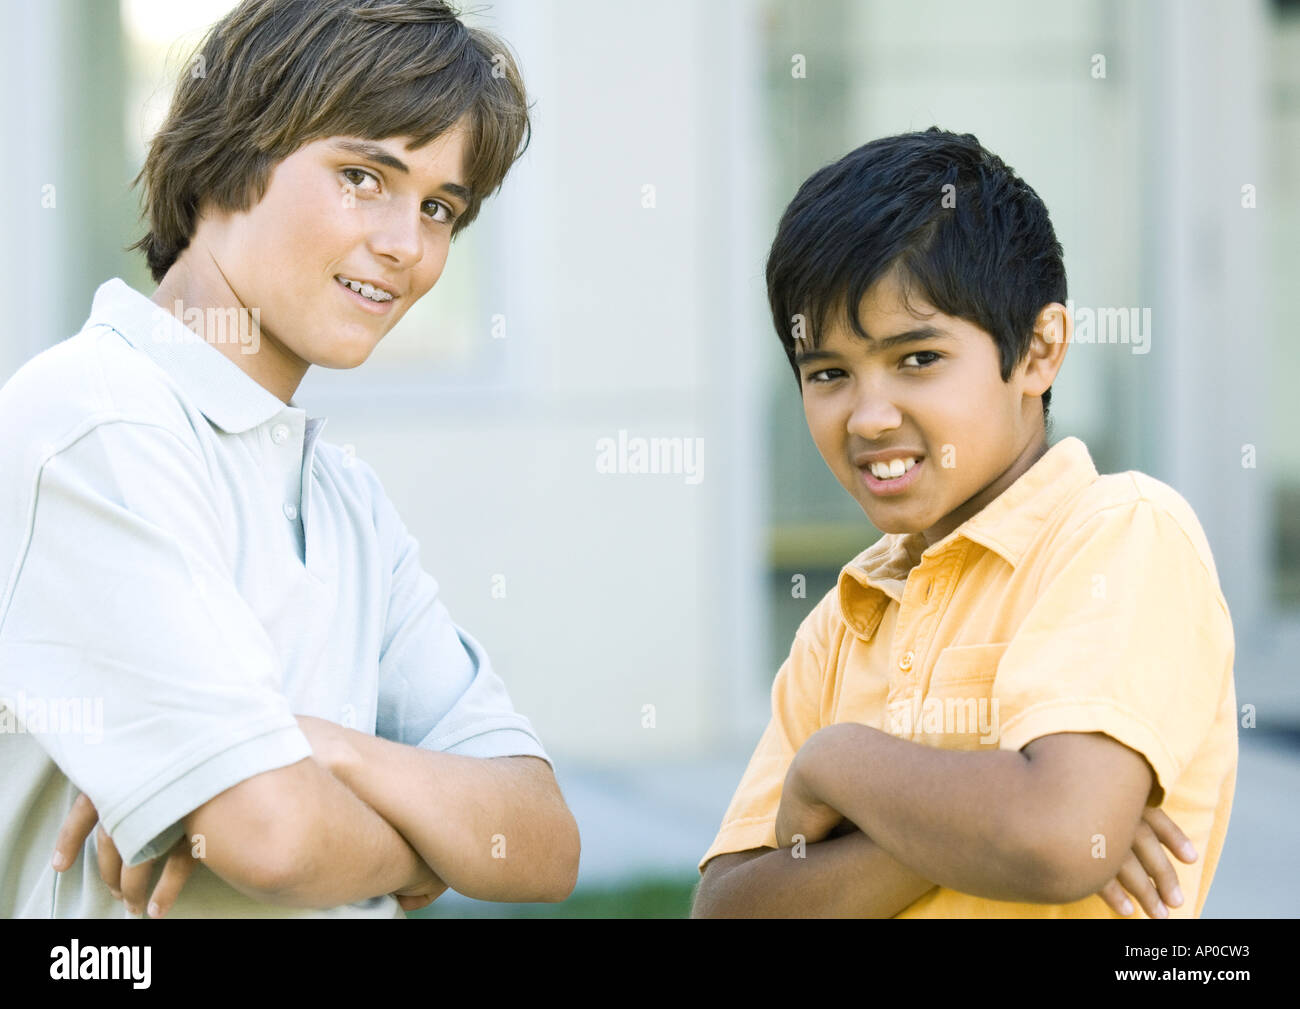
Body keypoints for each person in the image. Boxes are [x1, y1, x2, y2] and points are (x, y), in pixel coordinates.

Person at [0, 0, 579, 918]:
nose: (405, 244)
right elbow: (272, 835)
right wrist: (425, 852)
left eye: (439, 207)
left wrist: (331, 749)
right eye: (362, 176)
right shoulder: (95, 420)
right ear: (234, 152)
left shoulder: (344, 496)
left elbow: (541, 839)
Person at [692, 128, 1236, 918]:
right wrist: (996, 806)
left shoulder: (1121, 534)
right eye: (830, 373)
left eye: (917, 358)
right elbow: (729, 907)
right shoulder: (843, 621)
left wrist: (837, 766)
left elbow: (1056, 838)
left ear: (1040, 350)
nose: (870, 417)